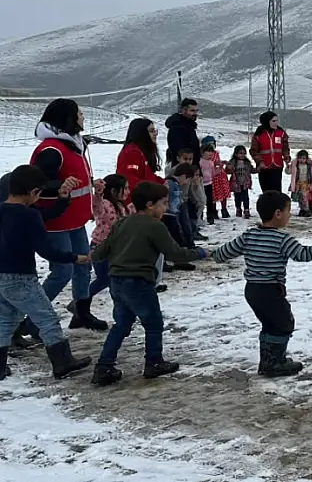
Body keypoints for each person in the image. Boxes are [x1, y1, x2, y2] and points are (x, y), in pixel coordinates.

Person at [90, 181, 208, 386]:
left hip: (116, 281)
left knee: (121, 324)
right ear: (150, 204)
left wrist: (88, 257)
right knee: (153, 323)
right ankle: (154, 362)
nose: (166, 208)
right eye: (163, 203)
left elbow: (102, 250)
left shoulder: (122, 222)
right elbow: (175, 253)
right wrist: (200, 252)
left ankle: (104, 366)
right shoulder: (155, 226)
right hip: (139, 282)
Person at [212, 191, 312, 377]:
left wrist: (212, 255)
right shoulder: (282, 239)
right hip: (270, 290)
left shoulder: (249, 235)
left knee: (269, 324)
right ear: (278, 214)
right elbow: (304, 254)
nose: (290, 214)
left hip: (253, 290)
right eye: (288, 210)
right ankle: (275, 363)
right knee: (283, 324)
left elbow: (225, 252)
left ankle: (268, 361)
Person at [0, 165, 93, 381]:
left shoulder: (4, 209)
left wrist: (62, 199)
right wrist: (75, 257)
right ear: (33, 192)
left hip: (1, 275)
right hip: (21, 277)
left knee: (5, 319)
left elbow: (46, 214)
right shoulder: (29, 215)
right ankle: (62, 363)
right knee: (47, 318)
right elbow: (47, 250)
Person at [28, 99, 106, 331]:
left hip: (75, 219)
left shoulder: (72, 145)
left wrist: (92, 184)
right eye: (80, 114)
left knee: (83, 266)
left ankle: (81, 313)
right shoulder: (52, 149)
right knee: (62, 271)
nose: (83, 117)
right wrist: (60, 186)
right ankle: (30, 324)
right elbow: (35, 182)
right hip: (57, 221)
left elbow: (73, 178)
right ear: (69, 118)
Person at [89, 175, 132, 304]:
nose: (128, 191)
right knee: (105, 279)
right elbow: (96, 207)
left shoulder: (122, 206)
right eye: (125, 188)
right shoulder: (105, 204)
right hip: (100, 248)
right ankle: (81, 299)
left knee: (113, 279)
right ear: (113, 191)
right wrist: (98, 194)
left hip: (115, 249)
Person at [116, 118, 163, 203]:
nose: (155, 134)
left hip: (144, 201)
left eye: (155, 130)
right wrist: (155, 189)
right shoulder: (132, 152)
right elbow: (129, 180)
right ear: (142, 133)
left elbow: (148, 176)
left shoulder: (141, 151)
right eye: (151, 131)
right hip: (135, 203)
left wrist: (163, 182)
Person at [251, 111, 290, 194]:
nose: (276, 123)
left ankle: (277, 206)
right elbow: (254, 151)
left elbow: (285, 147)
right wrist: (260, 162)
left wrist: (286, 156)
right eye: (273, 121)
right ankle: (267, 206)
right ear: (266, 121)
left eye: (277, 121)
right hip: (264, 167)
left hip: (277, 166)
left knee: (276, 190)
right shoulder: (259, 134)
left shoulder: (281, 133)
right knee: (266, 191)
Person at [165, 98, 201, 168]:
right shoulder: (178, 128)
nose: (195, 114)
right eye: (192, 111)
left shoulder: (189, 127)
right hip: (183, 170)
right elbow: (180, 152)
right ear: (184, 110)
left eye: (196, 111)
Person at [202, 135, 231, 219]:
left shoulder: (216, 153)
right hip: (212, 177)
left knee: (223, 194)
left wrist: (222, 162)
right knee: (213, 195)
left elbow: (217, 161)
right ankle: (213, 211)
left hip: (221, 176)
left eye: (213, 144)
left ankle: (224, 209)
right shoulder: (204, 156)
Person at [226, 145, 255, 218]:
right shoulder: (233, 162)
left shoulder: (247, 162)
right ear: (236, 154)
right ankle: (238, 209)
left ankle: (246, 210)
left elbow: (251, 170)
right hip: (236, 183)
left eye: (244, 153)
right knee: (237, 197)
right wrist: (228, 168)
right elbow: (227, 171)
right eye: (240, 153)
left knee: (246, 197)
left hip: (245, 182)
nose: (242, 155)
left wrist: (258, 169)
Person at [288, 150, 312, 218]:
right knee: (300, 197)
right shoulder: (296, 166)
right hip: (298, 183)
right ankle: (302, 209)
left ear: (306, 159)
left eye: (303, 158)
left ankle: (306, 209)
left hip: (306, 183)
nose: (302, 160)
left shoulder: (309, 166)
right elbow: (289, 172)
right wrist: (288, 167)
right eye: (300, 158)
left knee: (305, 197)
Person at [199, 144, 221, 225]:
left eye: (212, 152)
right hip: (201, 184)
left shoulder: (211, 163)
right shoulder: (200, 162)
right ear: (202, 153)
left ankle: (210, 216)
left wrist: (218, 170)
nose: (210, 154)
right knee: (200, 200)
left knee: (209, 201)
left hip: (209, 183)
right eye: (208, 152)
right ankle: (199, 216)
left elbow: (213, 173)